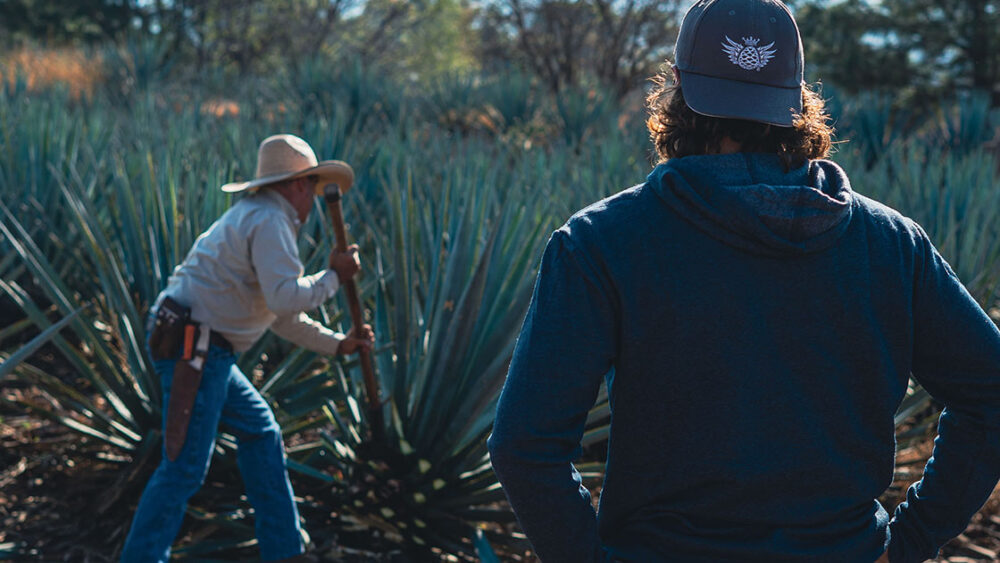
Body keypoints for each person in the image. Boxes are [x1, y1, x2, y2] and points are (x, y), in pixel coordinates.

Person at [487, 0, 1000, 561]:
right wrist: (908, 543)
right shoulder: (891, 245)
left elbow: (525, 444)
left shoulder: (601, 243)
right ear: (798, 98)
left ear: (678, 88)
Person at [121, 134, 375, 562]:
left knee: (261, 430)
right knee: (183, 468)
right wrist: (335, 277)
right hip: (197, 347)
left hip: (201, 347)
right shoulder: (270, 222)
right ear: (296, 185)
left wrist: (338, 345)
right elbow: (285, 300)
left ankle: (284, 550)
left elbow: (283, 316)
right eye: (310, 188)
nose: (312, 200)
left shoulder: (256, 215)